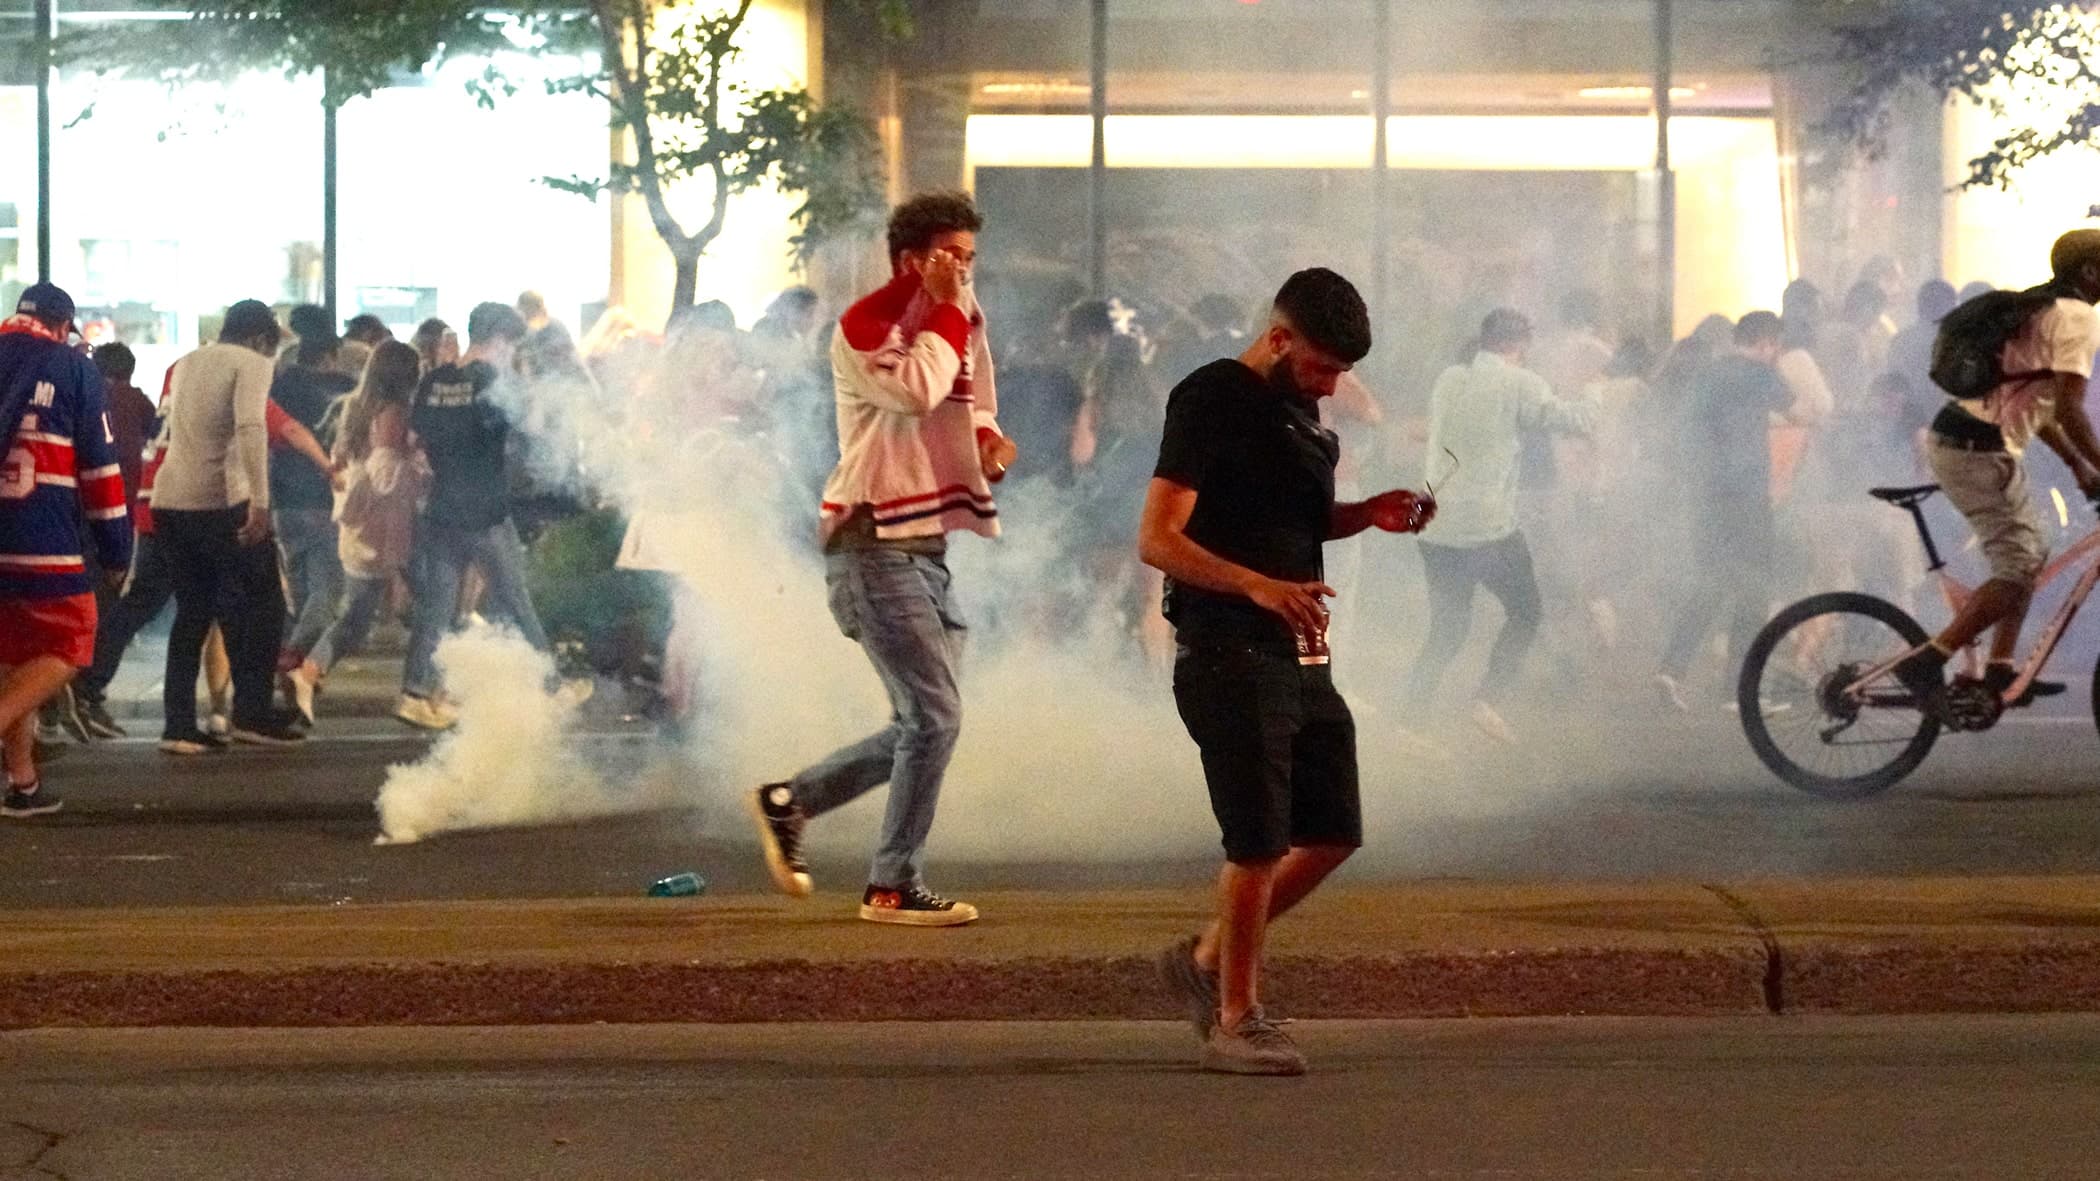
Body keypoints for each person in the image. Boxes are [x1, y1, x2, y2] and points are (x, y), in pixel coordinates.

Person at [1138, 268, 1434, 1075]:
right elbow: (1158, 538)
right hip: (1227, 647)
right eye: (1321, 368)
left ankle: (1203, 959)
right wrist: (1256, 585)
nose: (1332, 388)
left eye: (1340, 373)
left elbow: (1297, 524)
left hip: (1301, 652)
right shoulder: (1211, 398)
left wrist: (1367, 514)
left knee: (1333, 829)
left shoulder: (1301, 413)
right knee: (1258, 840)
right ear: (1278, 338)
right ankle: (1236, 1016)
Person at [747, 191, 1019, 928]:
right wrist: (946, 309)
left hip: (924, 545)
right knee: (934, 717)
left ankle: (794, 801)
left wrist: (989, 442)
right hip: (873, 542)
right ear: (911, 259)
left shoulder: (960, 313)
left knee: (922, 720)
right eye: (951, 257)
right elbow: (920, 388)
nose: (964, 271)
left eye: (969, 258)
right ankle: (892, 883)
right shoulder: (867, 323)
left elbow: (972, 397)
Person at [1892, 230, 2100, 709]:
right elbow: (2070, 409)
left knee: (2033, 550)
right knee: (2017, 564)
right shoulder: (2078, 319)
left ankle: (2000, 669)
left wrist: (2077, 466)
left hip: (1980, 443)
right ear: (2089, 272)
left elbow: (2034, 402)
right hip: (1974, 449)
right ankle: (1928, 658)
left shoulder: (2042, 307)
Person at [1404, 308, 1601, 743]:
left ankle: (1409, 717)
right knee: (1526, 611)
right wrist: (1596, 392)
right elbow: (1575, 420)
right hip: (1487, 528)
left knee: (1448, 628)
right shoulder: (1520, 382)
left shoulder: (1449, 379)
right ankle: (1487, 700)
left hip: (1433, 524)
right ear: (1520, 344)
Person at [399, 301, 571, 730]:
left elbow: (414, 438)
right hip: (486, 508)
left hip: (443, 506)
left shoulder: (436, 380)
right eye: (511, 345)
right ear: (498, 340)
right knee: (516, 597)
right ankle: (553, 686)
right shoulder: (493, 381)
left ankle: (415, 693)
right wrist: (527, 385)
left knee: (437, 606)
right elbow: (530, 428)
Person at [0, 283, 134, 817]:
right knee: (75, 637)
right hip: (42, 539)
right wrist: (116, 548)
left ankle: (24, 784)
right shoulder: (72, 368)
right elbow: (100, 471)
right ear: (62, 326)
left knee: (16, 660)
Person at [152, 300, 304, 749]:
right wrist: (260, 502)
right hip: (219, 501)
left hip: (170, 500)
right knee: (264, 605)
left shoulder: (187, 362)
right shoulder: (251, 362)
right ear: (261, 339)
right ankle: (252, 713)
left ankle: (178, 725)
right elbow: (251, 427)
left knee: (193, 611)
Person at [284, 341, 429, 723]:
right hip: (395, 525)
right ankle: (423, 688)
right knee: (434, 604)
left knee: (357, 616)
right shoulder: (399, 413)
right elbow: (392, 475)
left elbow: (340, 462)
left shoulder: (353, 408)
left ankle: (309, 671)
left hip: (359, 524)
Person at [1653, 312, 1791, 711]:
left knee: (1711, 582)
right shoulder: (1760, 374)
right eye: (1775, 345)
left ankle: (1670, 669)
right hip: (1747, 497)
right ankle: (1740, 689)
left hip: (1707, 498)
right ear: (1766, 341)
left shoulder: (1708, 374)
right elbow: (1808, 409)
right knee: (1755, 587)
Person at [268, 319, 355, 696]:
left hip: (283, 502)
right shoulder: (345, 390)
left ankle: (293, 672)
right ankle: (291, 660)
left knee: (301, 591)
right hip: (324, 498)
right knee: (329, 592)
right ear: (331, 356)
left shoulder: (279, 386)